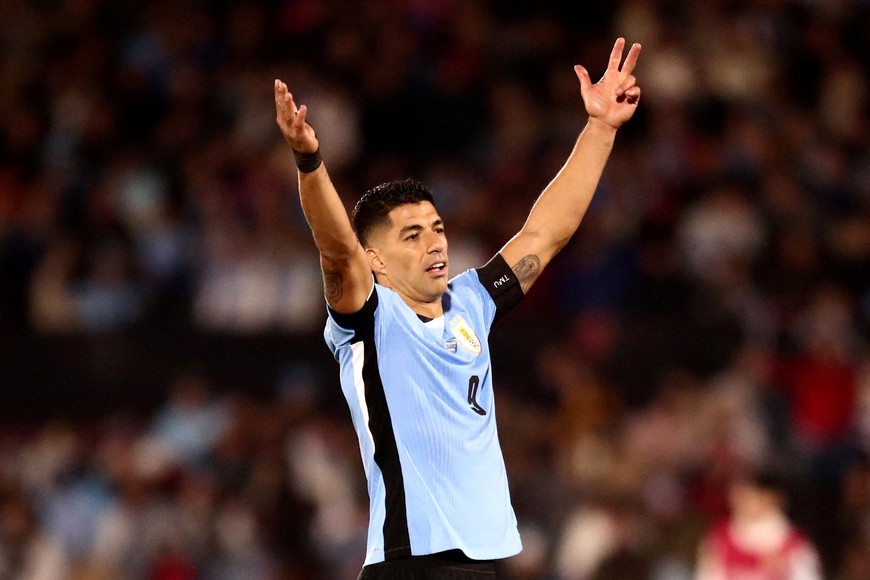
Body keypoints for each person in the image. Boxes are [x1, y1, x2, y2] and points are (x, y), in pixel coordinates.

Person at [274, 37, 642, 579]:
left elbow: (545, 232)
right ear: (375, 259)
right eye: (413, 235)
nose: (435, 244)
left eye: (439, 229)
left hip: (480, 565)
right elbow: (337, 250)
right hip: (411, 562)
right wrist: (310, 161)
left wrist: (601, 129)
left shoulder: (473, 301)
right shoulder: (369, 321)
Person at [695, 466, 823, 580]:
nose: (737, 499)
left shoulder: (795, 543)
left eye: (748, 494)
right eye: (736, 493)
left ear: (773, 499)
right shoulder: (719, 537)